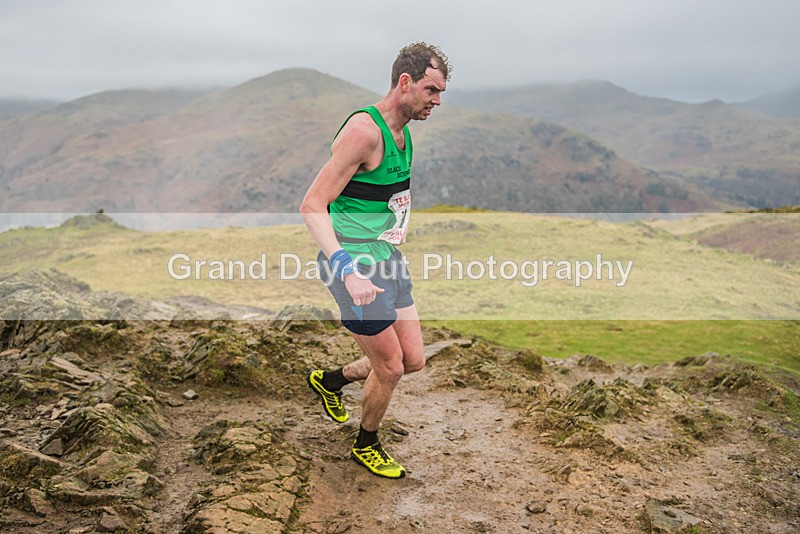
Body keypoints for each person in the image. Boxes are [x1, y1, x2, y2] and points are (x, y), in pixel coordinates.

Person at [299, 42, 450, 479]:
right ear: (405, 82)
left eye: (440, 93)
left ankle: (330, 380)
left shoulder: (403, 133)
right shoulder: (365, 132)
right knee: (391, 368)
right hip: (353, 267)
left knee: (414, 358)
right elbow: (312, 205)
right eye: (431, 90)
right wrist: (346, 269)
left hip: (387, 259)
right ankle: (366, 443)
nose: (436, 101)